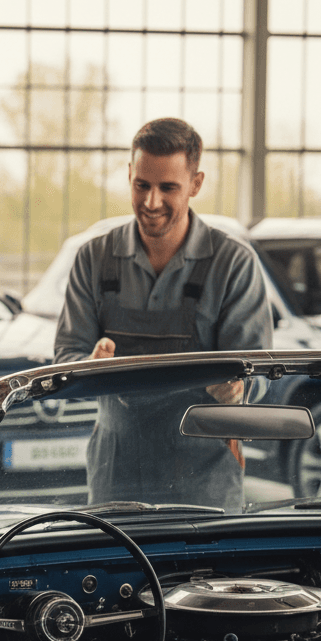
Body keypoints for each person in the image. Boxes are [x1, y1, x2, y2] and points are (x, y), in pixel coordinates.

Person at [53, 117, 273, 511]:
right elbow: (65, 359)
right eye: (142, 185)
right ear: (129, 176)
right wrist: (87, 367)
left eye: (168, 187)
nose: (152, 202)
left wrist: (239, 389)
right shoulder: (93, 259)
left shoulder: (234, 264)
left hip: (204, 490)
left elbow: (258, 372)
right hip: (113, 485)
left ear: (196, 184)